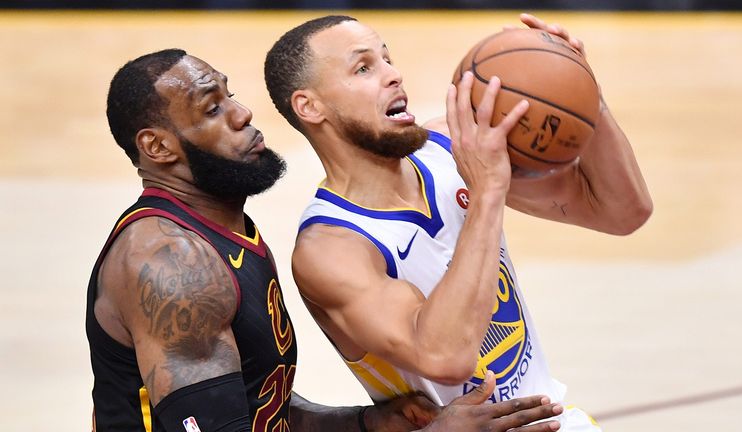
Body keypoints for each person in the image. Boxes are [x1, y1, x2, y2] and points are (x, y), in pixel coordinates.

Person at [86, 48, 566, 432]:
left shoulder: (223, 234)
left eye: (230, 96)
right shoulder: (172, 264)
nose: (242, 113)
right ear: (158, 147)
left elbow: (258, 406)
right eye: (213, 109)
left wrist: (364, 422)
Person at [263, 13, 652, 432]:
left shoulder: (451, 149)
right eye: (364, 67)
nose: (394, 75)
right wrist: (486, 193)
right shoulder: (332, 247)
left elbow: (623, 211)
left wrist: (580, 88)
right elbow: (444, 357)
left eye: (387, 58)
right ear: (310, 106)